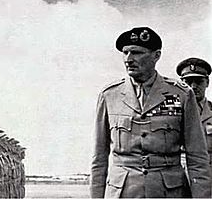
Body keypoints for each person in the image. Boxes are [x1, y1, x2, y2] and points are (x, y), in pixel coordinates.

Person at [90, 27, 211, 198]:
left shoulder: (181, 95)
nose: (128, 59)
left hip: (169, 192)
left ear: (156, 55)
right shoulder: (109, 95)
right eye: (125, 53)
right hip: (123, 192)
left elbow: (197, 157)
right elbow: (99, 158)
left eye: (137, 53)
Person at [176, 58, 212, 174]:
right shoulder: (172, 113)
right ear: (181, 83)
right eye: (188, 81)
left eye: (199, 81)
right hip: (179, 177)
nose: (193, 86)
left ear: (207, 82)